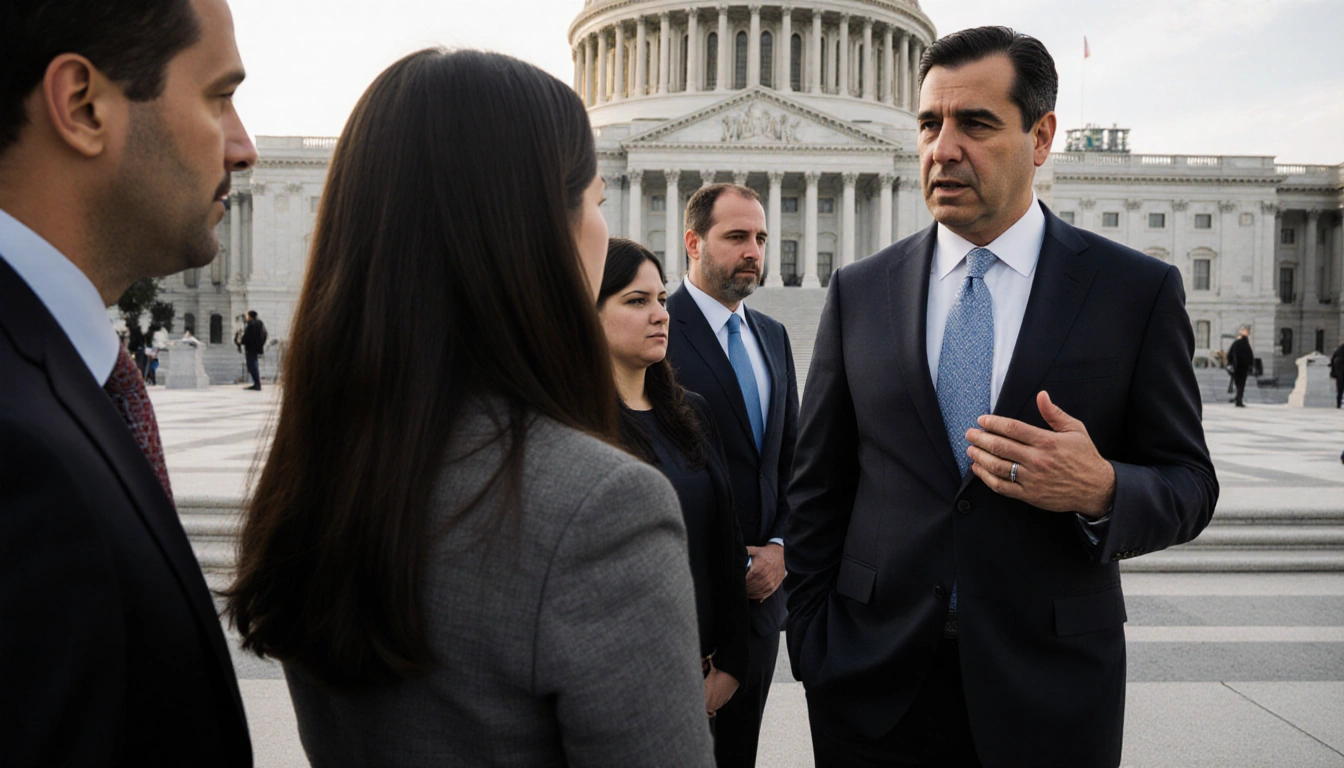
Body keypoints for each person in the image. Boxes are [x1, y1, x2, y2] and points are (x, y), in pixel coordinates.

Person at [224, 50, 714, 767]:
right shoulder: (604, 508)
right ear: (532, 229)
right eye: (597, 201)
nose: (604, 229)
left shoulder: (320, 470)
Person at [785, 26, 1219, 767]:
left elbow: (1190, 482)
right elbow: (817, 489)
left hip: (1049, 688)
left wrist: (1104, 487)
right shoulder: (860, 291)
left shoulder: (1133, 292)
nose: (942, 148)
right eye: (929, 124)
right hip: (871, 687)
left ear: (1042, 135)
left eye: (976, 124)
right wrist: (815, 644)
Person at [0, 0, 258, 764]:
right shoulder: (19, 454)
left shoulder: (52, 377)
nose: (243, 149)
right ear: (82, 106)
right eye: (219, 97)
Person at [665, 183, 799, 768]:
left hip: (762, 606)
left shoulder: (773, 335)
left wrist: (780, 547)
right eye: (737, 237)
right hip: (685, 606)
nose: (754, 251)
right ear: (693, 242)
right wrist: (726, 568)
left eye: (761, 238)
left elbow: (792, 460)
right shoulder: (656, 330)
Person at [597, 237, 750, 725]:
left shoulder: (693, 413)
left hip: (706, 674)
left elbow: (726, 543)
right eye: (637, 301)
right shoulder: (575, 429)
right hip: (618, 687)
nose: (661, 314)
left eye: (662, 299)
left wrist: (730, 662)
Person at [1227, 327, 1254, 407]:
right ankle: (1238, 399)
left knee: (1237, 384)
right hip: (1243, 368)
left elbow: (1229, 354)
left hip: (1236, 368)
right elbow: (1250, 356)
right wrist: (1250, 366)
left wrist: (1230, 363)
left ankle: (1237, 398)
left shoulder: (1236, 343)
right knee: (1241, 385)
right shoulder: (1246, 345)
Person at [240, 309, 265, 390]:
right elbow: (264, 335)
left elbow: (247, 336)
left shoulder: (251, 325)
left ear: (250, 316)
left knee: (252, 365)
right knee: (254, 364)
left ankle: (257, 384)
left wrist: (242, 341)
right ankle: (257, 383)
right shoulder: (260, 324)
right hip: (257, 347)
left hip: (251, 348)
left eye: (248, 316)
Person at [1331, 341, 1344, 409]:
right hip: (1340, 372)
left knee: (1340, 390)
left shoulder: (1339, 350)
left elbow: (1332, 360)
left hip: (1339, 374)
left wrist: (1333, 373)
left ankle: (1338, 403)